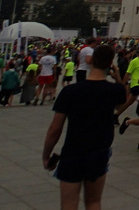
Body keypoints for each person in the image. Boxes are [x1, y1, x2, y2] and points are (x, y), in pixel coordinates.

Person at [41, 44, 126, 210]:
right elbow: (122, 103)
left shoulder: (70, 92)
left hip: (72, 153)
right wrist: (117, 78)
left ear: (91, 61)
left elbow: (54, 129)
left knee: (68, 204)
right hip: (99, 152)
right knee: (94, 202)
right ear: (110, 64)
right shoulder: (114, 90)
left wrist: (46, 155)